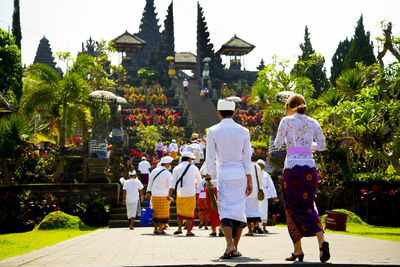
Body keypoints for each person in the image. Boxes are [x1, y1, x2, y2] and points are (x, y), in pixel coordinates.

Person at [274, 94, 329, 263]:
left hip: (292, 170)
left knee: (291, 207)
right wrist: (306, 147)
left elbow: (277, 144)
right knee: (309, 204)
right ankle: (322, 240)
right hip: (310, 170)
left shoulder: (286, 121)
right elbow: (322, 146)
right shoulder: (313, 122)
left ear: (290, 107)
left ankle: (298, 250)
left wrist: (294, 146)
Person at [205, 99, 253, 259]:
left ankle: (229, 245)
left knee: (225, 209)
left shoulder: (212, 131)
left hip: (224, 174)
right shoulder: (243, 131)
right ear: (234, 113)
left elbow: (210, 157)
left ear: (219, 113)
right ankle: (235, 247)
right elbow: (247, 158)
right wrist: (250, 179)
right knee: (239, 211)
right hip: (240, 174)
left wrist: (208, 176)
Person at [169, 151, 202, 236]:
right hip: (191, 193)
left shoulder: (176, 168)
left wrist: (169, 194)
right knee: (190, 212)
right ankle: (188, 231)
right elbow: (200, 181)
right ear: (189, 159)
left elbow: (172, 183)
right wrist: (199, 191)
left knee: (180, 211)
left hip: (180, 193)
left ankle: (179, 228)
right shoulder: (194, 168)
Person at [146, 156, 173, 235]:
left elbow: (150, 182)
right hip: (164, 194)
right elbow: (170, 185)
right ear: (167, 164)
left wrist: (148, 192)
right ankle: (161, 228)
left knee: (155, 212)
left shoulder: (154, 171)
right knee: (162, 213)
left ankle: (155, 228)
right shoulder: (168, 173)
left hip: (154, 194)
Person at [256, 159, 278, 234]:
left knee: (264, 210)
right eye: (258, 164)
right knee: (255, 210)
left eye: (261, 165)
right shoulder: (253, 174)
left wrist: (274, 196)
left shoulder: (266, 175)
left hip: (264, 195)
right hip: (254, 194)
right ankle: (256, 227)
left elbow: (271, 186)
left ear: (263, 166)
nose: (259, 166)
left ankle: (264, 227)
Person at [244, 162, 263, 236]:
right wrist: (260, 189)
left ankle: (250, 230)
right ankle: (256, 225)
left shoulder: (244, 165)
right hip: (256, 191)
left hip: (247, 190)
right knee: (255, 209)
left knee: (247, 211)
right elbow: (260, 179)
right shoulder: (256, 166)